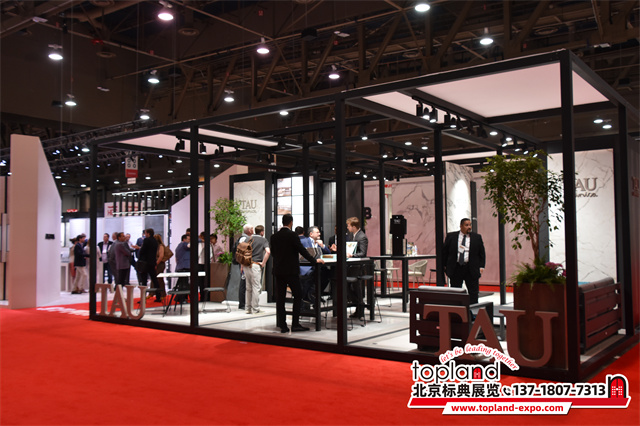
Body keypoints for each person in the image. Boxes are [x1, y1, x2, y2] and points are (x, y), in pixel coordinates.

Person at [270, 214, 324, 333]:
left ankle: (283, 325)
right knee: (298, 295)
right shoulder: (292, 235)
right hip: (291, 270)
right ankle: (295, 324)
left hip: (279, 271)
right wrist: (314, 261)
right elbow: (302, 250)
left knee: (280, 298)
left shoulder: (274, 237)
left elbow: (273, 253)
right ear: (291, 222)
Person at [442, 218, 486, 304]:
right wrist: (445, 266)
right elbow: (445, 252)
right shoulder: (451, 236)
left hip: (471, 268)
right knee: (456, 291)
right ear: (461, 226)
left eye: (470, 225)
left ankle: (473, 309)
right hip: (456, 267)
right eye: (466, 225)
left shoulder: (477, 237)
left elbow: (482, 253)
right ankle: (457, 309)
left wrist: (481, 266)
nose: (469, 227)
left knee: (473, 292)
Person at [300, 226, 331, 304]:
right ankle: (309, 296)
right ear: (311, 234)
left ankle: (315, 294)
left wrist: (323, 246)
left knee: (328, 274)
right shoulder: (304, 241)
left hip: (318, 267)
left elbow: (328, 254)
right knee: (311, 276)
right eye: (317, 232)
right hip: (307, 267)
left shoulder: (319, 243)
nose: (319, 234)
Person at [345, 217, 368, 320]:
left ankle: (360, 306)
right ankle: (358, 305)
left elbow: (363, 253)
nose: (347, 227)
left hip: (358, 266)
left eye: (349, 226)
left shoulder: (362, 237)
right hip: (351, 266)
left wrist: (352, 255)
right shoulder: (351, 235)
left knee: (356, 287)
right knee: (347, 286)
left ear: (354, 227)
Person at [245, 225, 270, 314]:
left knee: (248, 288)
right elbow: (268, 252)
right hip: (255, 265)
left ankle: (248, 308)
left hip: (246, 265)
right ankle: (255, 308)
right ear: (262, 232)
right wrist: (263, 263)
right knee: (256, 287)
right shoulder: (263, 240)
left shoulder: (248, 239)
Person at [137, 228, 161, 296]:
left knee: (144, 280)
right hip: (152, 262)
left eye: (145, 233)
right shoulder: (155, 241)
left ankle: (143, 297)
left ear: (148, 233)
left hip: (145, 262)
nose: (145, 234)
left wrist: (139, 255)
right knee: (154, 279)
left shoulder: (146, 240)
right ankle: (158, 296)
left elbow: (142, 250)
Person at [235, 224, 253, 310]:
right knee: (243, 283)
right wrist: (242, 264)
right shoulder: (244, 239)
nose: (253, 230)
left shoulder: (244, 238)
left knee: (245, 282)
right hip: (243, 263)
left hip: (244, 263)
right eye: (252, 228)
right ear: (249, 230)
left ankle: (244, 303)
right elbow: (242, 252)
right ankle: (242, 303)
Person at [153, 233, 168, 302]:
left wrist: (156, 264)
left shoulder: (160, 246)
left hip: (160, 264)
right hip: (157, 264)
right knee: (156, 279)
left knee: (159, 279)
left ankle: (162, 294)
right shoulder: (156, 246)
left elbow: (161, 256)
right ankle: (156, 293)